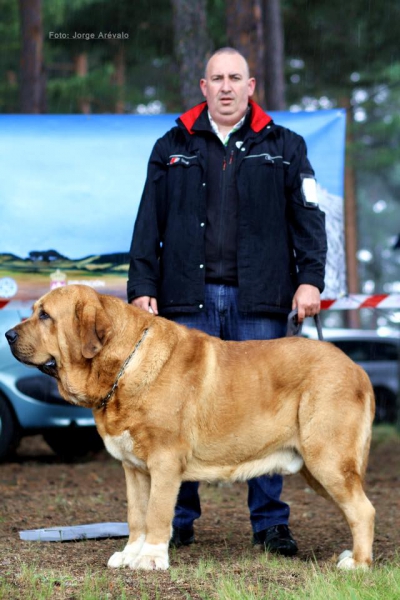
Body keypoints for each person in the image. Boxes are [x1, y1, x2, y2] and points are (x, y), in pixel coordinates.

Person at [127, 47, 327, 556]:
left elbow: (309, 219)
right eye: (216, 78)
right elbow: (148, 222)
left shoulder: (285, 145)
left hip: (261, 301)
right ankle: (176, 520)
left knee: (266, 413)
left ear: (251, 85)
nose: (225, 86)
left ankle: (270, 525)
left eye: (235, 78)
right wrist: (142, 287)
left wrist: (310, 281)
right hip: (184, 303)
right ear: (203, 86)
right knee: (176, 415)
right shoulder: (170, 144)